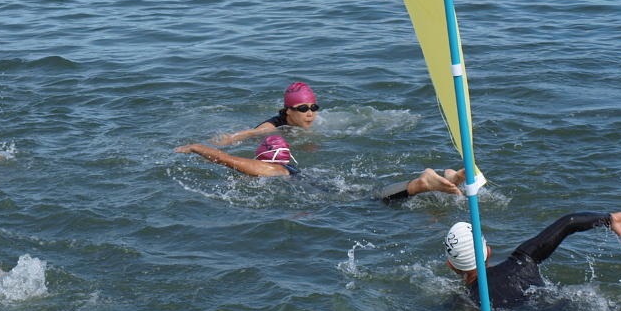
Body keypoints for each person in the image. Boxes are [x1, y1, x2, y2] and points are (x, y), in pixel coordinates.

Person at [444, 211, 621, 309]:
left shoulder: (466, 302)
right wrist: (609, 220)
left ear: (451, 265)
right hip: (573, 305)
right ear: (488, 251)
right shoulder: (523, 260)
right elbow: (568, 223)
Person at [176, 133, 464, 198]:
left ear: (262, 158)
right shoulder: (290, 169)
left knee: (376, 200)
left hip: (332, 196)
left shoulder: (272, 170)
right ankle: (444, 179)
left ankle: (423, 183)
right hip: (329, 187)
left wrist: (195, 147)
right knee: (373, 194)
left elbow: (227, 159)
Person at [212, 82, 320, 146]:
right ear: (288, 110)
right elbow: (249, 133)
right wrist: (220, 142)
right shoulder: (272, 127)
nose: (310, 113)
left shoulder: (316, 120)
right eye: (303, 108)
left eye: (314, 107)